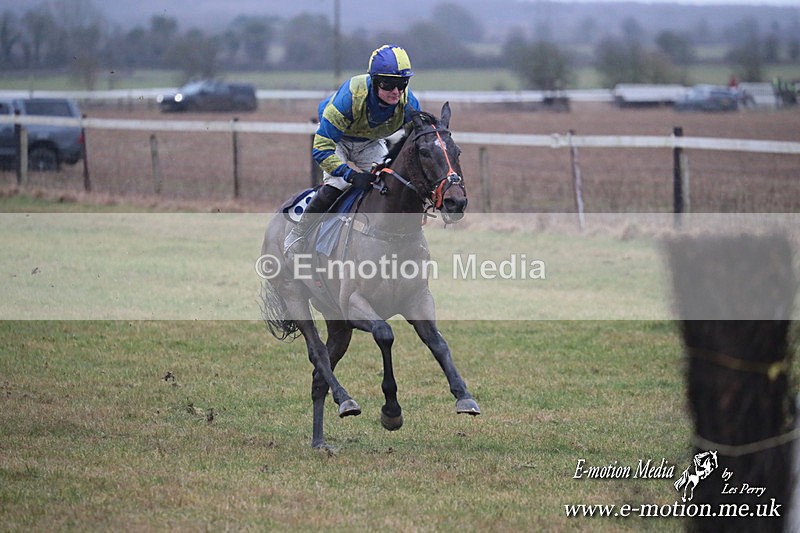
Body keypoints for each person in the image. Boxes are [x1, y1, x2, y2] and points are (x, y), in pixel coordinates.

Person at [284, 44, 421, 257]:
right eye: (388, 83)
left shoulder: (409, 103)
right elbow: (321, 149)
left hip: (370, 142)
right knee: (338, 183)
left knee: (388, 184)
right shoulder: (351, 95)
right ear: (375, 82)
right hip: (336, 139)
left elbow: (417, 141)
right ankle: (298, 234)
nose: (396, 91)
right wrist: (350, 174)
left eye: (402, 84)